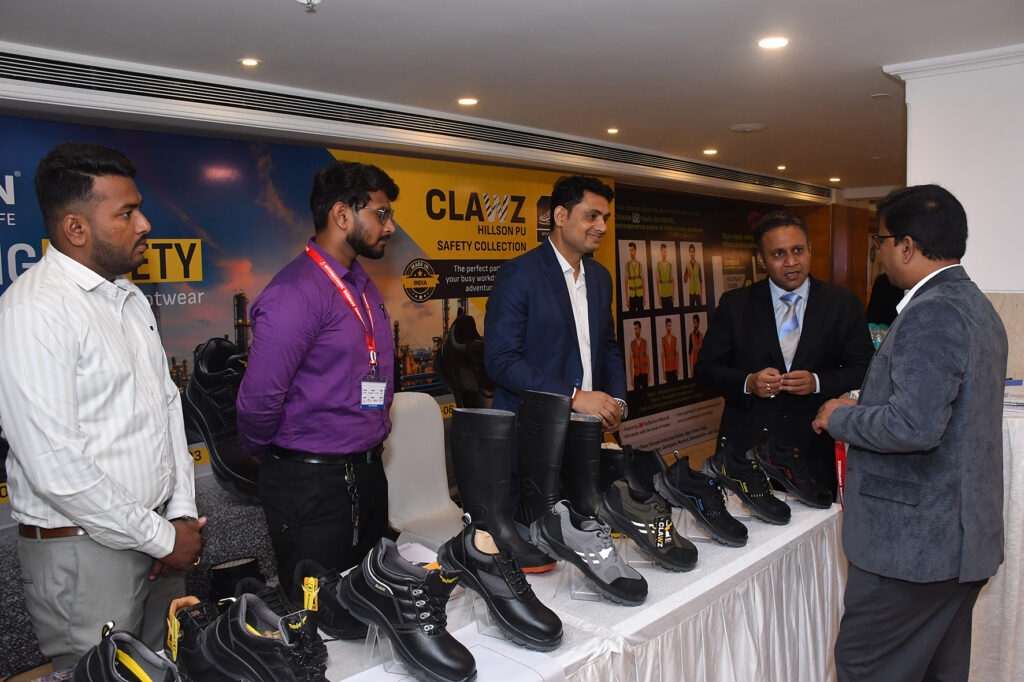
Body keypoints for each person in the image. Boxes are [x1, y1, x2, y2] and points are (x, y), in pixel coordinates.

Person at [0, 142, 204, 669]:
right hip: (85, 553)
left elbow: (167, 408)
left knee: (166, 665)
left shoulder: (128, 298)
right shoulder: (33, 311)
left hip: (154, 535)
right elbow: (57, 469)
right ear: (75, 228)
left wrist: (178, 515)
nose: (145, 224)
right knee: (101, 674)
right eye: (126, 212)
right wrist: (162, 538)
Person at [813, 185, 1007, 682]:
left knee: (867, 668)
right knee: (937, 671)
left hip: (912, 551)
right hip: (951, 546)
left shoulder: (933, 311)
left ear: (906, 245)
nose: (878, 253)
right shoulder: (974, 305)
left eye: (880, 241)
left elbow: (914, 426)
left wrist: (838, 417)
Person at [236, 161, 397, 619]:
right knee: (321, 621)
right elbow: (259, 401)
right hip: (310, 488)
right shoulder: (295, 293)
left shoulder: (362, 285)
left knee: (372, 610)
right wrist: (281, 461)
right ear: (342, 215)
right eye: (381, 214)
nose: (390, 226)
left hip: (367, 475)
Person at [695, 210, 873, 494]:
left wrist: (817, 382)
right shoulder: (735, 304)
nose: (791, 262)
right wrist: (748, 382)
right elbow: (705, 370)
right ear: (761, 259)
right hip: (747, 449)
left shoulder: (842, 304)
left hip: (814, 448)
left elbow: (864, 368)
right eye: (778, 254)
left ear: (810, 250)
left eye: (798, 250)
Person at [486, 174, 626, 431]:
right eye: (591, 216)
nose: (603, 227)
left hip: (588, 430)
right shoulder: (519, 274)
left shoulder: (601, 277)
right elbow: (502, 361)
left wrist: (616, 404)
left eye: (605, 218)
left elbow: (607, 347)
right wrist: (574, 397)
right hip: (535, 431)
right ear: (561, 216)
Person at [629, 321, 650, 390]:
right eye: (635, 329)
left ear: (640, 329)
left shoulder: (645, 342)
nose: (636, 331)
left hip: (644, 374)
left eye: (637, 328)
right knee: (637, 394)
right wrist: (632, 378)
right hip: (636, 375)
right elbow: (630, 362)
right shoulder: (632, 344)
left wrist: (649, 375)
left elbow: (648, 359)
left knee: (645, 393)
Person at [625, 242, 645, 311]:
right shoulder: (627, 265)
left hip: (640, 296)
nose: (631, 252)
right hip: (632, 296)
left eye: (632, 250)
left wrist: (644, 298)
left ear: (635, 251)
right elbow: (626, 283)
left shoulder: (640, 265)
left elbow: (643, 282)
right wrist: (627, 300)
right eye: (630, 250)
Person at [655, 243, 675, 308]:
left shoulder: (670, 265)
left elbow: (673, 281)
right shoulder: (658, 265)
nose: (664, 253)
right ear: (661, 252)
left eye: (665, 251)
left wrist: (673, 295)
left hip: (670, 294)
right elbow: (657, 283)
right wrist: (659, 298)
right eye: (663, 251)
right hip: (663, 294)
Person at [660, 317, 679, 382]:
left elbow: (677, 355)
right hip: (667, 370)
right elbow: (662, 357)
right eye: (668, 326)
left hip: (674, 369)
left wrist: (677, 368)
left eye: (670, 326)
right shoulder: (663, 340)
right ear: (665, 327)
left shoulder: (674, 339)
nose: (669, 327)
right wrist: (663, 372)